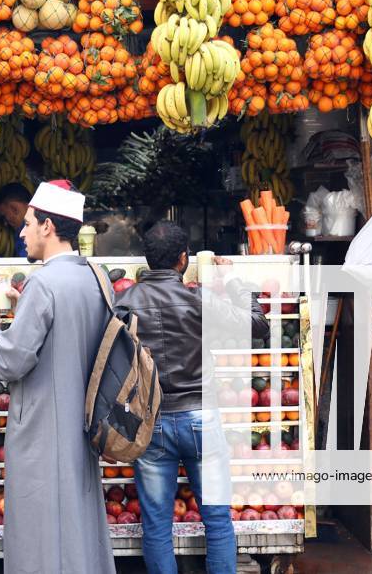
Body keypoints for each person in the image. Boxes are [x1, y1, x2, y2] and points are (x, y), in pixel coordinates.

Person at [0, 180, 115, 574]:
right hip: (84, 421)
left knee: (39, 529)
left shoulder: (43, 282)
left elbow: (11, 362)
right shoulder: (96, 276)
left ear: (48, 227)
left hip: (42, 426)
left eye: (29, 223)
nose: (22, 231)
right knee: (78, 520)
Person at [115, 221, 269, 574]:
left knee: (156, 527)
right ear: (183, 259)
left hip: (148, 423)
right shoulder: (198, 298)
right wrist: (233, 282)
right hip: (201, 418)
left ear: (147, 260)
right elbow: (257, 325)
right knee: (216, 522)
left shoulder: (124, 302)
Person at [0, 182, 30, 258]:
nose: (6, 223)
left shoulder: (34, 232)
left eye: (4, 215)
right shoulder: (19, 233)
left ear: (14, 208)